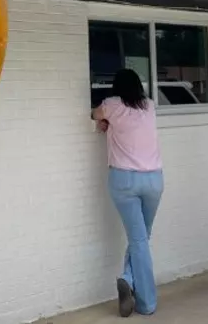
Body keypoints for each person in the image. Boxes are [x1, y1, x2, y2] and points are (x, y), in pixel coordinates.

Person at [91, 68, 164, 317]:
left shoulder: (111, 105)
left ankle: (144, 300)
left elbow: (93, 114)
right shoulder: (150, 105)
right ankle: (130, 282)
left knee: (138, 240)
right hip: (154, 179)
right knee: (143, 236)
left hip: (124, 180)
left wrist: (104, 122)